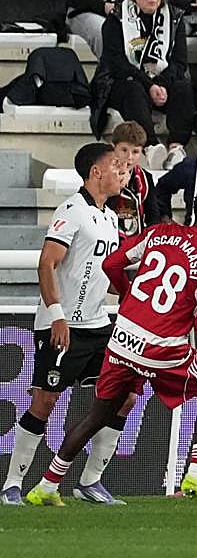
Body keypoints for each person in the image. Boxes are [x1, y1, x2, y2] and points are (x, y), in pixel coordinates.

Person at [24, 187, 197, 508]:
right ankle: (195, 472)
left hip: (123, 337)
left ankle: (47, 485)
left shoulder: (159, 233)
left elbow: (112, 264)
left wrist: (129, 294)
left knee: (101, 412)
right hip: (162, 345)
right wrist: (186, 309)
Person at [1, 143, 128, 506]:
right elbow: (47, 263)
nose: (123, 171)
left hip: (99, 323)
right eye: (116, 165)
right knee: (45, 400)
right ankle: (12, 485)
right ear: (95, 172)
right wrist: (57, 315)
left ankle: (90, 482)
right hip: (64, 325)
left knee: (125, 396)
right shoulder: (71, 211)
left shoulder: (110, 217)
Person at [89, 0, 192, 171]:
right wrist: (149, 84)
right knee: (133, 89)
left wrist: (160, 84)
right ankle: (152, 146)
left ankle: (175, 148)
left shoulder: (175, 19)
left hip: (162, 81)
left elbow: (179, 62)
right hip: (122, 81)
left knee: (184, 88)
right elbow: (116, 63)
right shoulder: (116, 19)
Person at [109, 120, 162, 237]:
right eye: (124, 150)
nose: (129, 157)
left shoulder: (145, 178)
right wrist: (117, 186)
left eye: (135, 152)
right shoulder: (102, 174)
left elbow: (153, 217)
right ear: (113, 148)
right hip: (107, 239)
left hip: (136, 242)